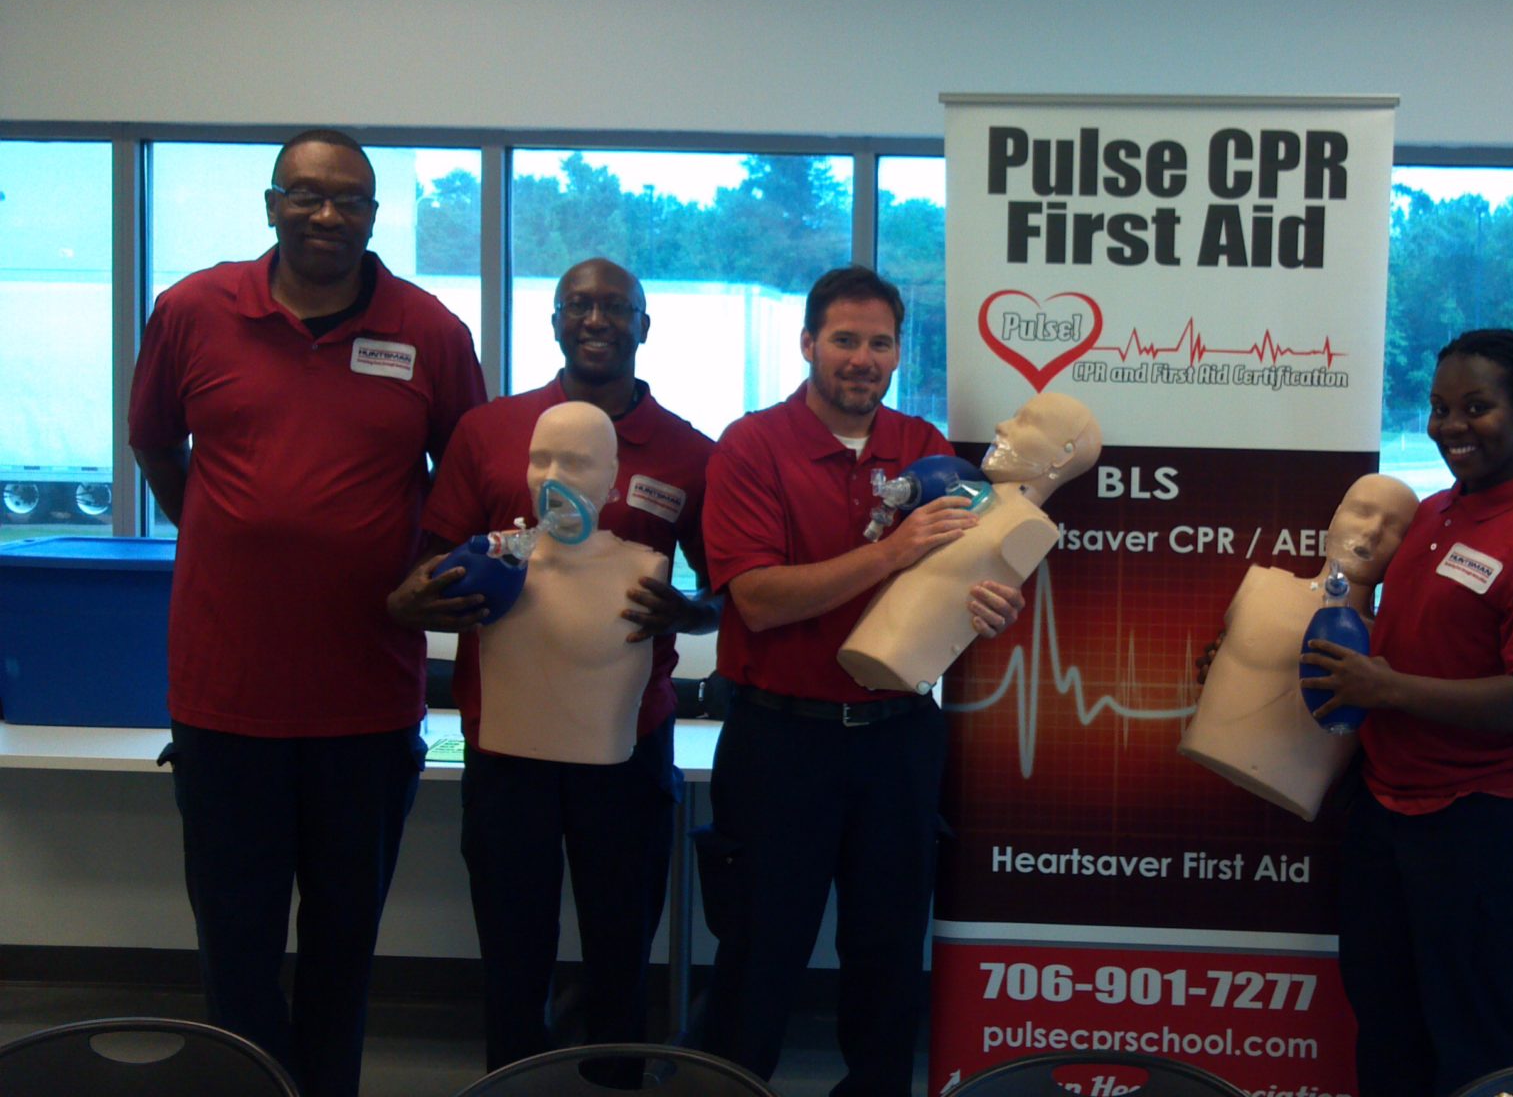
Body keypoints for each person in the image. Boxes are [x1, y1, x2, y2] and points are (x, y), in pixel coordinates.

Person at [128, 128, 487, 1097]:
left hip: (365, 705)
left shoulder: (431, 332)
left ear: (374, 216)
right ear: (271, 203)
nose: (328, 216)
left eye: (351, 201)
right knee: (234, 948)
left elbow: (469, 486)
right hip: (224, 701)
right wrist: (232, 530)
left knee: (342, 948)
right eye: (308, 196)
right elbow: (158, 448)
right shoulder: (194, 311)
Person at [699, 265, 1025, 1096]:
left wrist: (990, 603)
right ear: (808, 344)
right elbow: (759, 600)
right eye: (844, 339)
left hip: (897, 742)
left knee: (886, 959)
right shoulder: (751, 446)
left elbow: (958, 584)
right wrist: (892, 551)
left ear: (896, 354)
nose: (861, 358)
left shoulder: (925, 450)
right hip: (781, 742)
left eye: (879, 342)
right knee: (759, 958)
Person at [387, 258, 718, 1073]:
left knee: (620, 941)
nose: (596, 319)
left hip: (627, 742)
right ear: (555, 321)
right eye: (578, 305)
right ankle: (511, 1078)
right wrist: (430, 594)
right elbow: (434, 561)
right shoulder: (490, 432)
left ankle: (615, 1079)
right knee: (511, 938)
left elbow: (725, 591)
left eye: (615, 306)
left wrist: (690, 610)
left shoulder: (688, 452)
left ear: (645, 325)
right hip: (508, 739)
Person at [1299, 328, 1513, 1097]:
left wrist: (1387, 689)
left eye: (1476, 407)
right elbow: (1391, 638)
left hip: (1484, 826)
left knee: (1474, 1039)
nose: (1450, 426)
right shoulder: (1432, 514)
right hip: (1385, 809)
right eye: (1439, 407)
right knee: (1386, 1020)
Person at [1183, 473, 1420, 821]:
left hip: (1302, 790)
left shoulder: (1390, 644)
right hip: (1208, 749)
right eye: (1361, 511)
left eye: (1394, 527)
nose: (1371, 532)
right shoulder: (1262, 585)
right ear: (1336, 515)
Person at [837, 389, 1101, 694]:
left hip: (901, 662)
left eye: (1025, 422)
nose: (1002, 426)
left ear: (1063, 454)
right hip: (872, 645)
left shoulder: (1029, 527)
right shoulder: (976, 496)